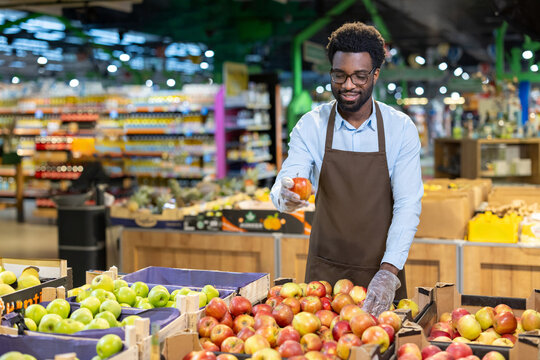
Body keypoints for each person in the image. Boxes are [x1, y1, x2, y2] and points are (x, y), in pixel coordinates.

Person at [271, 22, 423, 316]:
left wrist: (389, 272)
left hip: (381, 269)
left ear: (375, 74)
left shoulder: (399, 129)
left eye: (359, 76)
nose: (348, 85)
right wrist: (285, 195)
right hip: (324, 278)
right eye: (339, 75)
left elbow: (407, 204)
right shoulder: (311, 125)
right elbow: (290, 177)